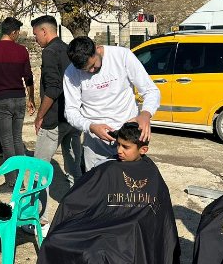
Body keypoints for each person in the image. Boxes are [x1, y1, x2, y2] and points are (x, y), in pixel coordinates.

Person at [30, 122, 181, 264]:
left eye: (126, 147)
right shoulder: (110, 168)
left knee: (109, 253)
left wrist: (129, 225)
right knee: (58, 238)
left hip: (130, 236)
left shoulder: (151, 173)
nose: (119, 151)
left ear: (143, 149)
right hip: (101, 225)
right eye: (118, 145)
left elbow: (157, 215)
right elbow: (81, 198)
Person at [63, 36, 160, 171]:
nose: (91, 71)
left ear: (96, 48)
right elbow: (71, 111)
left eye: (93, 65)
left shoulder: (122, 56)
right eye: (85, 70)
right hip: (95, 142)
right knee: (97, 185)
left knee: (128, 184)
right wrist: (91, 127)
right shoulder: (71, 73)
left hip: (127, 138)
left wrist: (145, 114)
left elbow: (151, 90)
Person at [0, 17, 35, 184]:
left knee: (7, 141)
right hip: (19, 98)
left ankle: (13, 181)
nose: (18, 35)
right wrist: (31, 98)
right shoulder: (22, 51)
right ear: (13, 32)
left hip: (1, 99)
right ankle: (21, 179)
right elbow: (29, 77)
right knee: (17, 138)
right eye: (17, 32)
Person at [31, 16, 81, 186]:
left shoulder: (50, 52)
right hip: (72, 116)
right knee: (74, 166)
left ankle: (37, 211)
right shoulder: (68, 49)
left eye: (35, 35)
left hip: (54, 120)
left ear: (44, 31)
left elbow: (53, 88)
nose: (35, 39)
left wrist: (40, 116)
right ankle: (78, 202)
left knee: (39, 169)